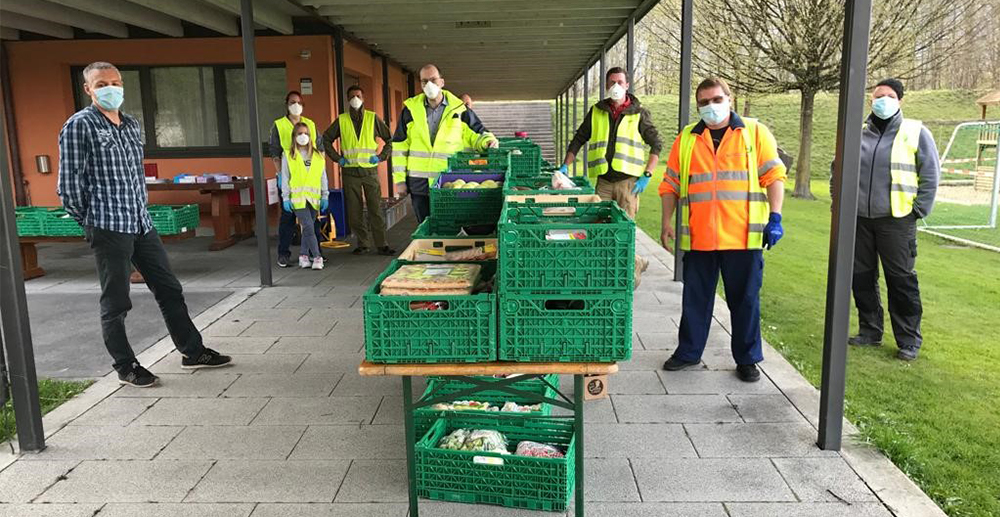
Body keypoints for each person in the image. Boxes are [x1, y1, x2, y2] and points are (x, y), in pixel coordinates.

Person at [57, 61, 232, 388]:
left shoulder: (132, 124)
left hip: (140, 222)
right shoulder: (79, 126)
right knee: (117, 301)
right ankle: (126, 365)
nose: (111, 88)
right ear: (88, 89)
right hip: (109, 226)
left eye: (116, 82)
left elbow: (136, 176)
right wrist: (91, 222)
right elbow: (68, 186)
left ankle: (192, 352)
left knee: (169, 288)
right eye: (102, 83)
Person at [658, 77, 787, 383]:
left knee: (745, 301)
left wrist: (776, 217)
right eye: (703, 102)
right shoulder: (687, 138)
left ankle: (747, 359)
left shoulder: (754, 132)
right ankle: (688, 353)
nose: (710, 106)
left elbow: (774, 174)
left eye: (716, 99)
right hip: (700, 237)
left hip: (743, 236)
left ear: (730, 99)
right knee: (695, 299)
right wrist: (666, 222)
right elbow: (671, 183)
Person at [847, 78, 939, 361]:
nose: (881, 100)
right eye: (877, 96)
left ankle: (908, 340)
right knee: (861, 278)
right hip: (860, 219)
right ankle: (870, 331)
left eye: (888, 96)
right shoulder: (857, 132)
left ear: (899, 100)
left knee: (901, 281)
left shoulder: (916, 132)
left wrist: (918, 210)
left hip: (897, 220)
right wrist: (840, 205)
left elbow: (931, 174)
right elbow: (838, 170)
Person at [561, 66, 662, 287]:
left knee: (624, 230)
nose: (615, 86)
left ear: (627, 85)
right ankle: (625, 265)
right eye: (611, 82)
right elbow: (579, 138)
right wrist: (565, 166)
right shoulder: (597, 111)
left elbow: (656, 144)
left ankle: (629, 272)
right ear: (606, 86)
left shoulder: (639, 113)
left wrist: (647, 174)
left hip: (629, 183)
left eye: (620, 82)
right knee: (600, 228)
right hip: (604, 182)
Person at [391, 64, 499, 222]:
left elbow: (478, 133)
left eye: (433, 80)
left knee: (448, 227)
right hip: (419, 183)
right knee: (425, 227)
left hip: (449, 182)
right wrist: (400, 181)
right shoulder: (410, 110)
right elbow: (400, 147)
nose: (429, 85)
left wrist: (488, 141)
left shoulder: (459, 110)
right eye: (424, 81)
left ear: (442, 82)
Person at [322, 85, 396, 256]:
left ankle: (381, 244)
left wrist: (381, 156)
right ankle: (363, 244)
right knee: (354, 212)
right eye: (352, 96)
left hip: (370, 171)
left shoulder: (372, 118)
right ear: (348, 99)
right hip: (350, 173)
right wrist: (337, 158)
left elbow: (390, 139)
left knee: (375, 210)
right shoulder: (342, 120)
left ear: (363, 98)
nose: (355, 98)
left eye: (358, 95)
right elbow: (326, 139)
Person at [269, 91, 323, 267]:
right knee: (288, 218)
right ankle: (284, 254)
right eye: (292, 102)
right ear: (287, 104)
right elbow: (275, 153)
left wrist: (321, 178)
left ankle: (313, 253)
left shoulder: (311, 125)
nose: (296, 105)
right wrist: (280, 175)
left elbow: (319, 150)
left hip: (310, 180)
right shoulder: (279, 125)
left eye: (299, 102)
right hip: (290, 178)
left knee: (311, 221)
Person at [281, 122, 329, 270]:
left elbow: (323, 176)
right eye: (300, 133)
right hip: (298, 198)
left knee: (309, 227)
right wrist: (286, 197)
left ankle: (303, 256)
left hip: (314, 199)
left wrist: (325, 195)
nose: (303, 136)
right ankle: (317, 257)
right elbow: (285, 177)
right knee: (308, 226)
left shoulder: (317, 155)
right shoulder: (288, 155)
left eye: (306, 134)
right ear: (294, 137)